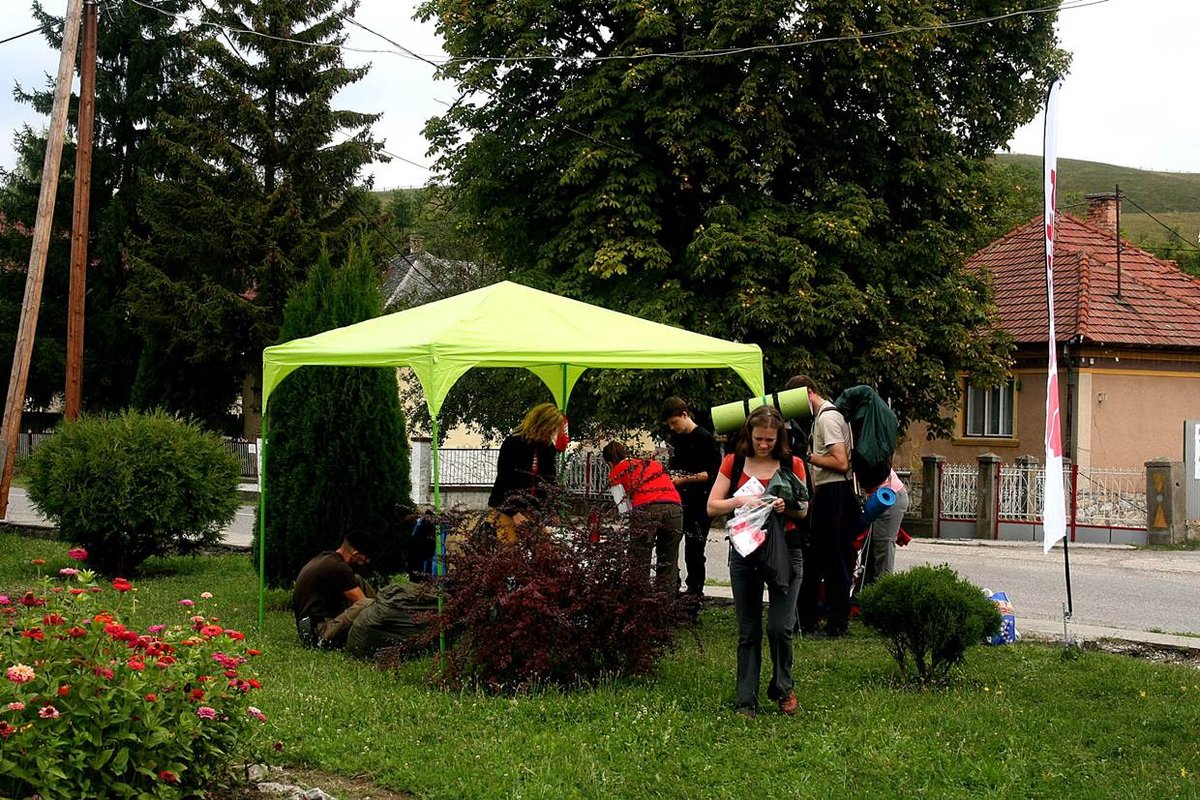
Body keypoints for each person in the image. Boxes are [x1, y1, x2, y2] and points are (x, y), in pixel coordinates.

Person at [707, 405, 808, 718]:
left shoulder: (793, 464)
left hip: (786, 552)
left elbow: (803, 510)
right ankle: (745, 701)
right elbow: (712, 506)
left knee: (780, 626)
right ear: (748, 435)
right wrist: (741, 500)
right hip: (745, 553)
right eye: (759, 438)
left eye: (770, 439)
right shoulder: (734, 462)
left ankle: (783, 688)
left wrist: (784, 506)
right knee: (748, 630)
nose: (764, 444)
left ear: (779, 438)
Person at [789, 375, 859, 638]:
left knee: (835, 560)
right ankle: (812, 618)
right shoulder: (821, 417)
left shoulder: (828, 417)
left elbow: (840, 462)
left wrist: (807, 456)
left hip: (835, 493)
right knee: (818, 557)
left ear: (810, 392)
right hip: (827, 494)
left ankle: (837, 623)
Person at [660, 397, 722, 598]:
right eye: (669, 425)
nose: (672, 427)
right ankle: (672, 587)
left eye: (674, 422)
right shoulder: (675, 440)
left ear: (684, 415)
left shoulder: (704, 438)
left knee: (694, 550)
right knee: (669, 544)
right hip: (678, 500)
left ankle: (695, 592)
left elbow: (710, 473)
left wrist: (683, 480)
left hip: (700, 501)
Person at [602, 441, 684, 590]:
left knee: (639, 560)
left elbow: (623, 508)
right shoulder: (652, 463)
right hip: (675, 507)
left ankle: (639, 602)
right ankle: (666, 605)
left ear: (609, 462)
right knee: (668, 560)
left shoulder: (616, 472)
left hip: (647, 509)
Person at [485, 402, 567, 542]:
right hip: (506, 507)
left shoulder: (547, 448)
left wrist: (553, 508)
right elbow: (505, 480)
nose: (553, 432)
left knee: (547, 551)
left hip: (532, 509)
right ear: (541, 424)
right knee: (509, 551)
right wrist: (514, 512)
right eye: (551, 427)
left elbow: (549, 480)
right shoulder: (513, 443)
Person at [292, 536, 377, 649]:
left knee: (357, 580)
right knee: (368, 604)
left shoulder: (326, 559)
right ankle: (386, 622)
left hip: (307, 629)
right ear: (355, 554)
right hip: (318, 633)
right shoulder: (340, 568)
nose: (365, 562)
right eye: (365, 558)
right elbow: (364, 604)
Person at [864, 468, 911, 583]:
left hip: (887, 496)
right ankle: (868, 592)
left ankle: (883, 591)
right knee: (871, 550)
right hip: (882, 495)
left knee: (883, 549)